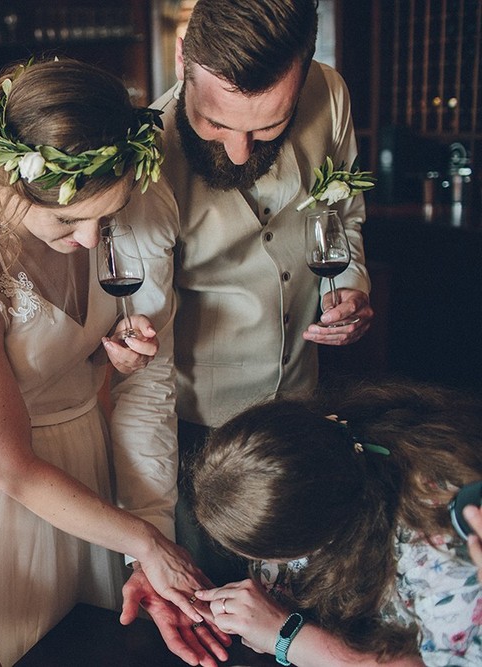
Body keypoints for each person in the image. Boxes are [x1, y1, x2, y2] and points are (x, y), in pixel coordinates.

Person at [0, 57, 222, 666]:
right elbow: (15, 469)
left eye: (106, 217)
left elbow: (77, 364)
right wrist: (148, 541)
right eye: (70, 220)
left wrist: (108, 364)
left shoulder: (111, 217)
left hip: (93, 473)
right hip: (6, 504)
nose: (92, 240)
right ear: (6, 180)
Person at [125, 0, 375, 586]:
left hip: (309, 405)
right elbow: (144, 349)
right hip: (201, 441)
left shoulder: (330, 94)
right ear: (184, 57)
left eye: (267, 127)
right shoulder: (145, 158)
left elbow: (345, 217)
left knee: (314, 600)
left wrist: (349, 286)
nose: (240, 150)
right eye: (216, 124)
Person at [190, 380, 482, 666]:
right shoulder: (335, 445)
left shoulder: (441, 552)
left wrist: (286, 636)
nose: (261, 566)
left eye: (267, 555)